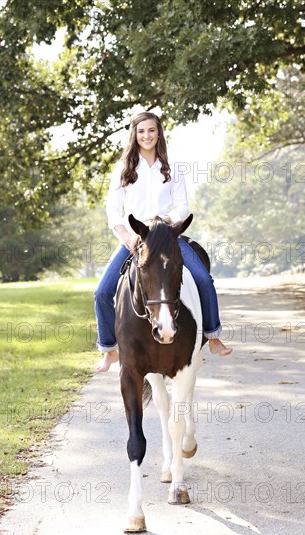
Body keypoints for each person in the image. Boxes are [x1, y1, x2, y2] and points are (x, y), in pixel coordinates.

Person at [94, 111, 232, 372]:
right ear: (135, 135)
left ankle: (213, 336)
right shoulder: (123, 170)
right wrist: (126, 236)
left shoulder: (172, 167)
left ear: (159, 134)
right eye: (141, 131)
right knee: (101, 291)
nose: (147, 135)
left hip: (167, 236)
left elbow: (182, 207)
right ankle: (109, 349)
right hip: (136, 239)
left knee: (204, 279)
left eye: (152, 130)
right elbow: (113, 211)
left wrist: (161, 221)